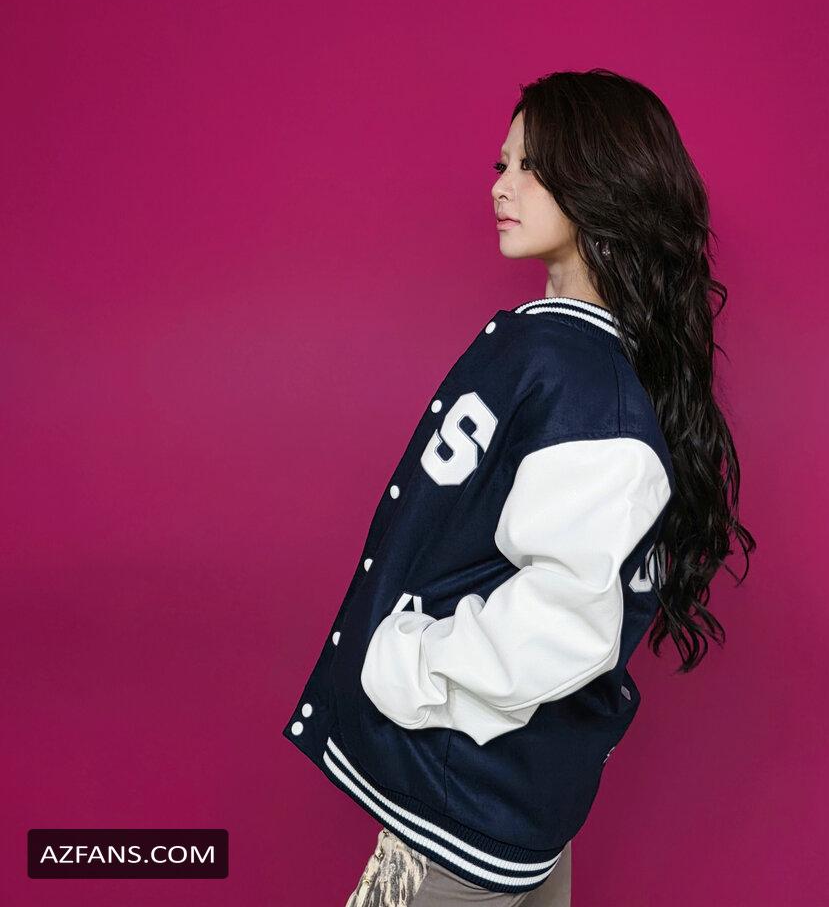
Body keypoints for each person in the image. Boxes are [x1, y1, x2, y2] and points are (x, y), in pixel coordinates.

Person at [282, 68, 756, 905]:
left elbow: (567, 620)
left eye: (530, 165)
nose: (502, 185)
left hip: (461, 808)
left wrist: (412, 665)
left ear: (599, 178)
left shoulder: (587, 384)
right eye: (501, 164)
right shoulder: (561, 356)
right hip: (488, 796)